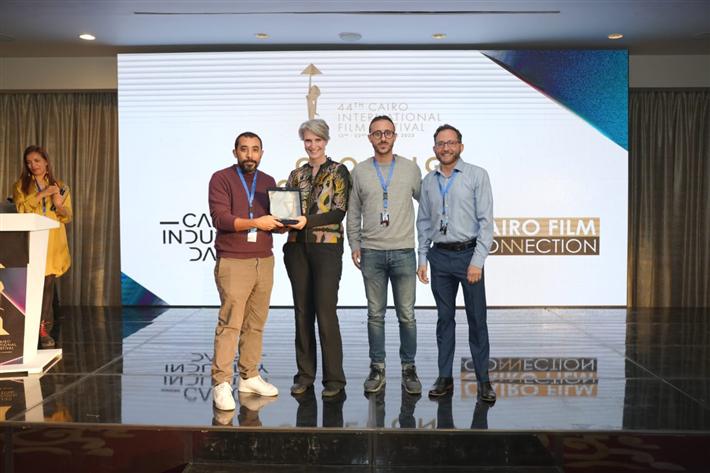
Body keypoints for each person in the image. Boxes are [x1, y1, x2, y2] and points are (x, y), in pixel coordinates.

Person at [416, 124, 496, 403]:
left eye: (451, 143)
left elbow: (486, 222)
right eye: (441, 143)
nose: (446, 148)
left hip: (468, 257)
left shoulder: (477, 175)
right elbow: (423, 222)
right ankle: (444, 377)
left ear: (460, 146)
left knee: (477, 319)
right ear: (434, 148)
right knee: (444, 320)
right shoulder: (428, 181)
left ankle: (483, 380)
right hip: (439, 258)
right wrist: (422, 258)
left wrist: (477, 261)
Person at [347, 115, 422, 395]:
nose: (383, 138)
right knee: (375, 315)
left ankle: (408, 367)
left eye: (387, 133)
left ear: (395, 136)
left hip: (404, 251)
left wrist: (424, 248)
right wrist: (354, 243)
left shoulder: (411, 169)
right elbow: (353, 211)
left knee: (407, 316)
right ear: (369, 137)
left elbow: (427, 206)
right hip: (372, 253)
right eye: (377, 133)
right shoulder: (360, 171)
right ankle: (377, 367)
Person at [208, 131, 283, 411]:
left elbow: (273, 221)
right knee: (231, 323)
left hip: (264, 259)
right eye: (244, 149)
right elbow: (221, 219)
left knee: (256, 322)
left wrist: (284, 223)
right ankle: (221, 383)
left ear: (262, 153)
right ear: (235, 152)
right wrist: (256, 223)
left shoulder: (268, 182)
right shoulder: (221, 178)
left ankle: (249, 376)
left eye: (255, 149)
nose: (250, 154)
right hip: (234, 260)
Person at [284, 118, 350, 399]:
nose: (312, 145)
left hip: (327, 248)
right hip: (296, 248)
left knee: (325, 312)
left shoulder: (338, 171)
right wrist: (282, 221)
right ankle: (304, 376)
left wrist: (306, 221)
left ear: (326, 141)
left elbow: (339, 212)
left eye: (317, 140)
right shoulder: (296, 174)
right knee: (302, 312)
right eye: (308, 141)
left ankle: (334, 379)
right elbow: (287, 210)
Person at [13, 145, 72, 349]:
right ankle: (26, 330)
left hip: (53, 242)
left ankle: (44, 331)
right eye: (29, 162)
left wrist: (59, 204)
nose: (33, 165)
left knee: (47, 287)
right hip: (30, 241)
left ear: (46, 161)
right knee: (31, 287)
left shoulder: (60, 186)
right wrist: (43, 193)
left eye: (37, 160)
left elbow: (67, 216)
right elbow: (21, 209)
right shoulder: (21, 186)